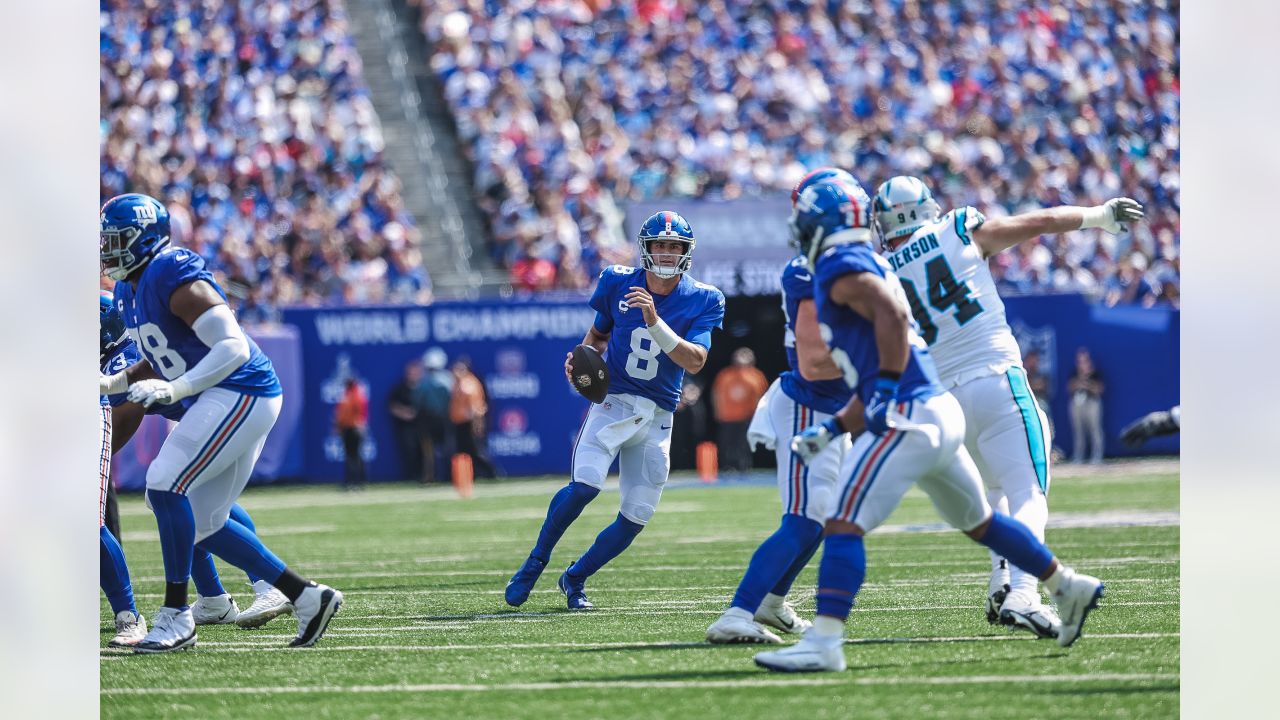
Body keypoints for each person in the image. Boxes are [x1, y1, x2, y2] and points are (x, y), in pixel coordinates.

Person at [753, 179, 1102, 673]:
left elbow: (893, 316)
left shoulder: (840, 265)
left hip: (912, 413)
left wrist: (890, 388)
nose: (800, 228)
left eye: (808, 218)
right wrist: (832, 430)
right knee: (981, 520)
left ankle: (825, 643)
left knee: (843, 524)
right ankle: (1068, 585)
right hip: (936, 408)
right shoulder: (870, 260)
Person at [873, 176, 1142, 637]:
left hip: (942, 401)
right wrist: (1099, 217)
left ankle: (1000, 582)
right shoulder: (955, 229)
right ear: (924, 208)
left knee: (992, 496)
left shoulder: (877, 271)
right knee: (1027, 492)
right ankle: (1024, 592)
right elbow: (1034, 223)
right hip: (996, 379)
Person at [98, 193, 342, 653]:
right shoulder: (130, 290)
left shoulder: (169, 270)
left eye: (114, 240)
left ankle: (176, 616)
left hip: (241, 389)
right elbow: (150, 361)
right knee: (206, 521)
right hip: (222, 394)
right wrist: (102, 383)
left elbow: (232, 347)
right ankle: (306, 596)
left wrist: (177, 389)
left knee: (163, 484)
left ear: (141, 238)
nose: (106, 250)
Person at [505, 210, 725, 610]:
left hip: (658, 415)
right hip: (613, 402)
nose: (666, 252)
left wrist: (655, 321)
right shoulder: (617, 281)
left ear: (686, 252)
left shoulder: (705, 298)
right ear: (646, 247)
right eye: (659, 244)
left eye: (674, 246)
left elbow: (695, 361)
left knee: (635, 517)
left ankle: (575, 578)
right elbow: (597, 336)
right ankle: (535, 561)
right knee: (585, 487)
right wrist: (581, 359)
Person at [707, 168, 857, 645]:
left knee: (820, 518)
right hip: (809, 405)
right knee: (802, 518)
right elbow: (815, 363)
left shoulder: (847, 262)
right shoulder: (805, 270)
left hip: (835, 408)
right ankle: (738, 610)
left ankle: (772, 600)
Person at [711, 348, 770, 472]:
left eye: (746, 355)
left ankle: (744, 467)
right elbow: (717, 394)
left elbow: (762, 397)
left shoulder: (756, 376)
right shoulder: (725, 374)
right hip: (728, 416)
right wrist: (717, 411)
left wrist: (759, 414)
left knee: (744, 444)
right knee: (727, 443)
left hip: (747, 416)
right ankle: (727, 467)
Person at [449, 358, 497, 479]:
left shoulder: (468, 384)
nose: (456, 371)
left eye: (460, 369)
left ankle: (492, 473)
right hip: (460, 423)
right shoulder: (457, 384)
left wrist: (477, 424)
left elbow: (476, 408)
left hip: (470, 423)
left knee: (477, 451)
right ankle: (471, 475)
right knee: (464, 452)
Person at [416, 348, 453, 482]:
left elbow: (417, 400)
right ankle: (449, 476)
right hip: (445, 418)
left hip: (428, 419)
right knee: (447, 448)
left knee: (428, 451)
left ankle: (429, 476)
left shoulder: (424, 382)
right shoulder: (448, 379)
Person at [1068, 348, 1106, 464]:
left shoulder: (1096, 373)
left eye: (1084, 361)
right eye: (1080, 361)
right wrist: (1080, 379)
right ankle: (1079, 456)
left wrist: (1087, 384)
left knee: (1095, 429)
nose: (1082, 364)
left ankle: (1097, 455)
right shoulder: (1074, 372)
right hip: (1077, 403)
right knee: (1078, 430)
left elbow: (1100, 389)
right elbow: (1069, 387)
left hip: (1092, 403)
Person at [389, 360, 425, 482]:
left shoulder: (424, 387)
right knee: (409, 451)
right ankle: (410, 477)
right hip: (406, 427)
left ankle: (423, 476)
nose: (413, 375)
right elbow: (392, 405)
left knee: (423, 452)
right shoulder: (400, 388)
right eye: (411, 372)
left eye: (416, 372)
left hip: (422, 426)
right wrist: (405, 413)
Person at [335, 378, 369, 490]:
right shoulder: (357, 395)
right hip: (354, 428)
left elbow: (343, 415)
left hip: (352, 428)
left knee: (352, 457)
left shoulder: (350, 396)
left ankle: (354, 482)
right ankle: (356, 482)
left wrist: (339, 427)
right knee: (354, 456)